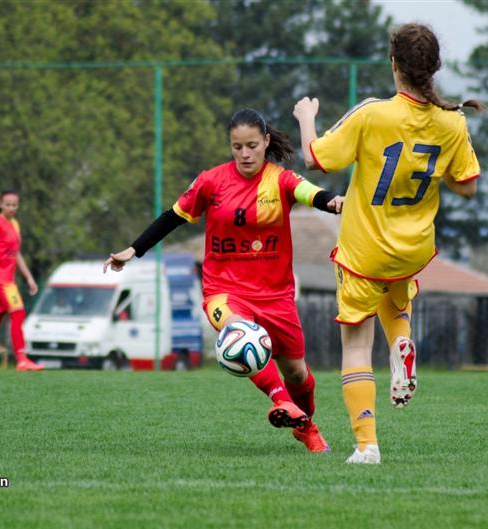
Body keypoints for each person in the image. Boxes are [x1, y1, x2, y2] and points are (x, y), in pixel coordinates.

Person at [293, 23, 482, 464]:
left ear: (393, 64)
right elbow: (468, 187)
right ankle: (401, 342)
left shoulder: (373, 114)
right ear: (433, 68)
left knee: (357, 346)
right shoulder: (452, 121)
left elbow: (315, 158)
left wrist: (306, 118)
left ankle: (367, 445)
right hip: (412, 249)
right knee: (394, 305)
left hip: (366, 249)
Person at [105, 109, 344, 453]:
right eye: (237, 147)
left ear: (265, 142)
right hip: (224, 291)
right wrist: (133, 249)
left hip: (276, 296)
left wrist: (333, 202)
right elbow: (173, 216)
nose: (244, 154)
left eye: (251, 145)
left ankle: (304, 423)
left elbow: (311, 193)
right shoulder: (211, 181)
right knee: (238, 336)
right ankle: (281, 401)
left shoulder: (280, 180)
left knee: (298, 376)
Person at [0, 191, 44, 372]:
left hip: (8, 279)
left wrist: (28, 277)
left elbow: (16, 253)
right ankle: (22, 359)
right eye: (8, 204)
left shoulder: (14, 224)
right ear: (1, 204)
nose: (11, 208)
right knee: (18, 313)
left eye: (15, 205)